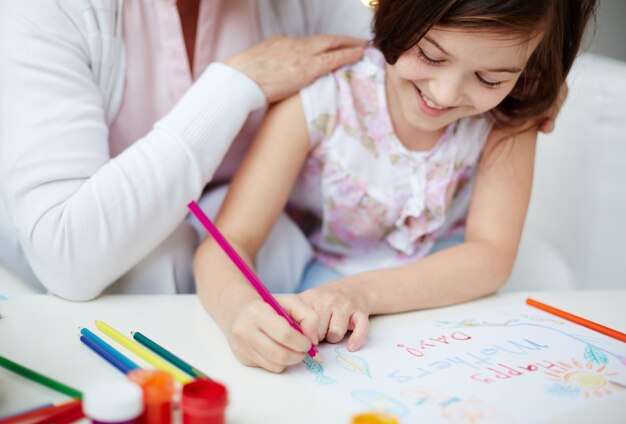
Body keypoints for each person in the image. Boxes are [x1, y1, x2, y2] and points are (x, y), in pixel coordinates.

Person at [193, 0, 597, 373]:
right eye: (430, 55)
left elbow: (490, 257)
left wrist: (360, 294)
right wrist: (238, 312)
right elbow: (227, 242)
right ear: (391, 12)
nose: (445, 93)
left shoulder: (513, 110)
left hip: (441, 299)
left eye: (489, 79)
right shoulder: (321, 99)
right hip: (323, 299)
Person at [0, 0, 374, 300]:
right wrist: (236, 86)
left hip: (243, 274)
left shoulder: (300, 6)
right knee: (162, 262)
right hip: (82, 285)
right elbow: (66, 257)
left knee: (280, 242)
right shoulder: (46, 10)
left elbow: (399, 60)